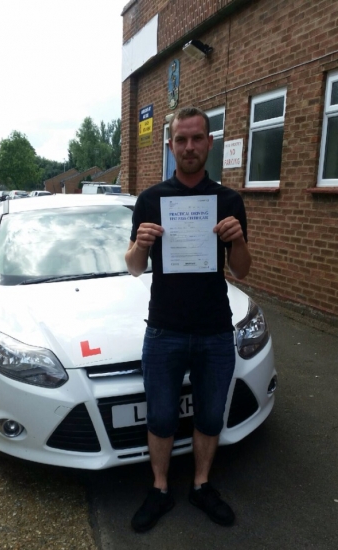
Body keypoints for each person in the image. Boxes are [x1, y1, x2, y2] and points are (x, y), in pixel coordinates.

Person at [125, 106, 252, 533]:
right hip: (164, 329)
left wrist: (236, 240)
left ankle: (201, 485)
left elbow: (243, 270)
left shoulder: (228, 201)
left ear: (209, 142)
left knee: (210, 415)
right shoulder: (150, 199)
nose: (190, 147)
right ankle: (160, 489)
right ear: (170, 145)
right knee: (161, 416)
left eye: (197, 138)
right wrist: (140, 244)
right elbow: (134, 267)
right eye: (182, 139)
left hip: (216, 329)